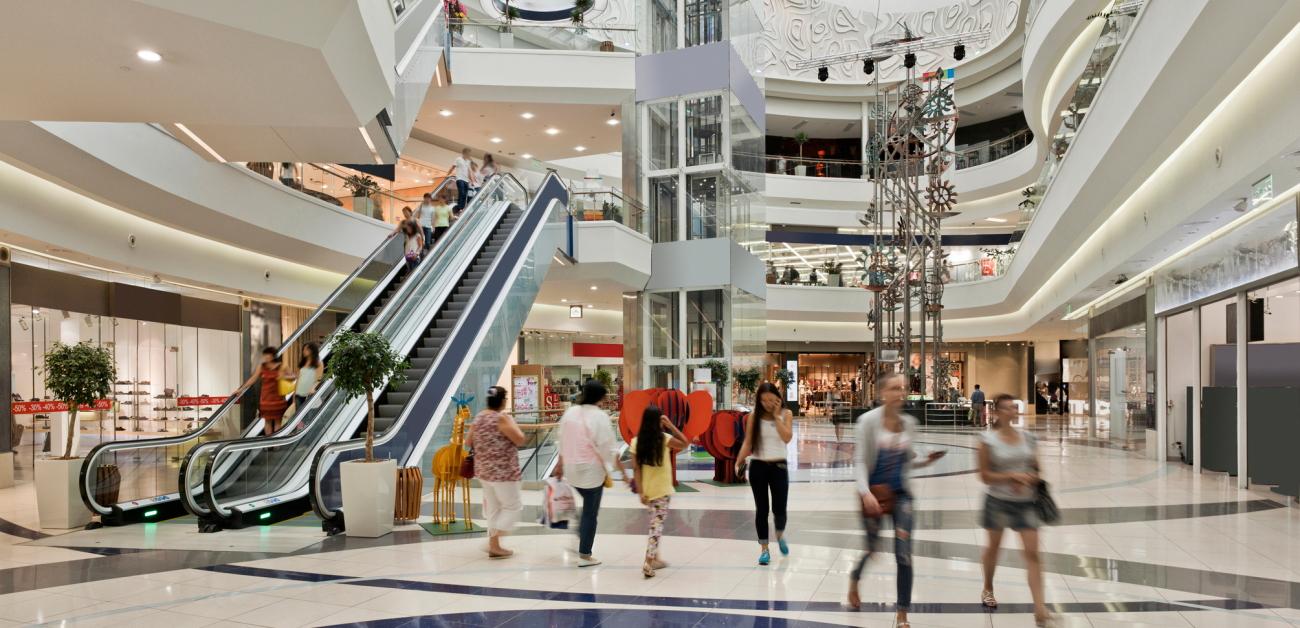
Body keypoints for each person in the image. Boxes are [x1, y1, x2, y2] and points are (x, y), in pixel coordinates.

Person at [848, 372, 946, 626]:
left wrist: (927, 460)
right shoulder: (867, 422)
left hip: (901, 496)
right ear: (882, 394)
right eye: (894, 388)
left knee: (904, 554)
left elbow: (906, 463)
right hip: (873, 495)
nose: (899, 393)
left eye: (902, 388)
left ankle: (902, 610)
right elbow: (859, 461)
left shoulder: (909, 424)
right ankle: (854, 578)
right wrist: (865, 492)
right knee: (872, 549)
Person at [979, 393, 1051, 626]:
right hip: (997, 502)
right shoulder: (987, 440)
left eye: (1014, 407)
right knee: (994, 548)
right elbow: (984, 475)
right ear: (998, 412)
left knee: (1032, 554)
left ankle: (1039, 606)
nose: (1013, 411)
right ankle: (988, 587)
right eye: (1008, 408)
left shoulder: (1029, 438)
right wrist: (1012, 476)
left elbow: (1037, 469)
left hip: (1026, 503)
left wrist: (1031, 478)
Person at [556, 380, 630, 567]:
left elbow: (561, 440)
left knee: (587, 510)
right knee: (591, 512)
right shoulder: (599, 417)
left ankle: (581, 531)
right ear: (600, 397)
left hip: (572, 470)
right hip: (591, 472)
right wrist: (623, 472)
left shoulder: (570, 412)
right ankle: (585, 554)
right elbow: (608, 447)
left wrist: (559, 464)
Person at [734, 381, 793, 565]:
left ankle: (780, 534)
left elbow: (787, 437)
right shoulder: (754, 416)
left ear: (778, 398)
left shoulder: (786, 414)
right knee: (762, 509)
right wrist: (739, 461)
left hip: (779, 467)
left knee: (779, 509)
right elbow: (748, 442)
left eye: (771, 399)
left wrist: (776, 417)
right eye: (764, 400)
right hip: (758, 466)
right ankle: (764, 549)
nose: (767, 403)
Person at [465, 386, 525, 559]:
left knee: (494, 509)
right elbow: (519, 439)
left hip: (484, 471)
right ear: (503, 401)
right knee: (513, 507)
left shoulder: (479, 417)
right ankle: (493, 542)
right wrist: (511, 422)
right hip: (503, 473)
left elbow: (468, 441)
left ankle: (495, 546)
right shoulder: (502, 418)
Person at [632, 405, 690, 578]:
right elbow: (685, 443)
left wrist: (641, 492)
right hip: (663, 490)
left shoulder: (636, 442)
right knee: (656, 528)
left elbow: (636, 469)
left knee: (654, 523)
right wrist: (671, 425)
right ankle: (648, 562)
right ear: (659, 421)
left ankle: (655, 559)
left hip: (648, 491)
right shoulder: (664, 438)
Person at [235, 347, 290, 436]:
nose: (266, 357)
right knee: (267, 422)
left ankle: (276, 444)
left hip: (278, 399)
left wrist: (283, 376)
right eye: (265, 355)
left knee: (277, 422)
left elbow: (293, 377)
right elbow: (253, 378)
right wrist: (241, 389)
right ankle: (269, 444)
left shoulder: (282, 366)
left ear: (273, 356)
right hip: (266, 400)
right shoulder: (261, 366)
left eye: (268, 354)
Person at [293, 342, 321, 415]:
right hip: (299, 394)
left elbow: (318, 379)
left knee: (309, 416)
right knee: (298, 418)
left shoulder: (318, 363)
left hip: (310, 394)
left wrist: (313, 388)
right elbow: (298, 379)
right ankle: (299, 427)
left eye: (306, 349)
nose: (304, 351)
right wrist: (294, 394)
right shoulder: (302, 363)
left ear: (312, 350)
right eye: (303, 349)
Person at [448, 147, 477, 213]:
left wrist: (472, 180)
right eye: (468, 153)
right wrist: (447, 174)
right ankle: (460, 207)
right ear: (464, 153)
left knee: (465, 194)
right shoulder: (458, 159)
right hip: (459, 178)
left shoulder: (468, 161)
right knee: (462, 193)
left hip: (466, 180)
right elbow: (453, 167)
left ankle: (462, 208)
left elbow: (470, 171)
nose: (469, 155)